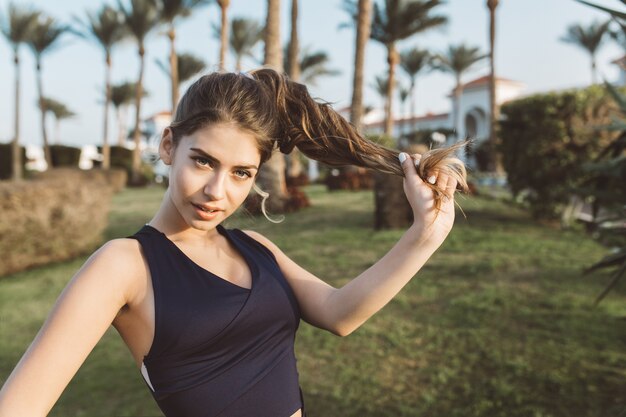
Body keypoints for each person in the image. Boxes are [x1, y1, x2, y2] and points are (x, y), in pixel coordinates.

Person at [0, 68, 468, 417]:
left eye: (240, 172)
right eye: (202, 161)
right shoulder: (125, 265)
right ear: (168, 146)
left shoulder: (255, 248)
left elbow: (340, 313)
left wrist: (425, 235)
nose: (216, 192)